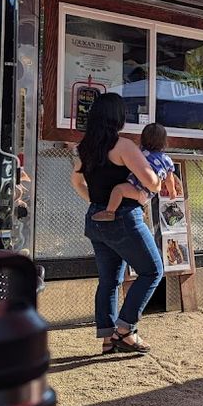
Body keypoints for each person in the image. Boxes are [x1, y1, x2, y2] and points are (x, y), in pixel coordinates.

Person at [71, 92, 164, 355]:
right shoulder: (123, 146)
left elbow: (76, 182)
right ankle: (125, 330)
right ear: (118, 117)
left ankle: (107, 338)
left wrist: (97, 203)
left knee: (109, 280)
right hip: (123, 218)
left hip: (96, 219)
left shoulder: (85, 147)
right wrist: (156, 183)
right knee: (152, 271)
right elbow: (151, 182)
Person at [92, 121, 177, 222]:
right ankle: (140, 210)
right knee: (127, 196)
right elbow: (169, 179)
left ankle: (110, 212)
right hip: (147, 193)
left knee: (118, 190)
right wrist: (172, 192)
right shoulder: (167, 160)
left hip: (136, 187)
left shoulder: (139, 151)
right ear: (164, 141)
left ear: (143, 138)